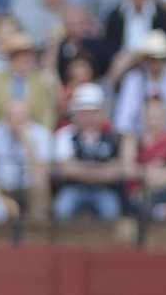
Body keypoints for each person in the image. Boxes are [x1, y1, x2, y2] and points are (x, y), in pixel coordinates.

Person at [51, 82, 130, 220]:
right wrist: (102, 171)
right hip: (73, 189)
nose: (89, 117)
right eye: (84, 112)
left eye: (93, 112)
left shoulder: (112, 137)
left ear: (101, 113)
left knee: (111, 211)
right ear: (75, 113)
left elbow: (117, 171)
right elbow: (67, 170)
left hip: (104, 190)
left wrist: (81, 169)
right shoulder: (65, 135)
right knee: (62, 209)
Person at [0, 98, 52, 216]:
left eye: (21, 114)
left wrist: (27, 140)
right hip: (2, 186)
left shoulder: (41, 134)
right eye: (12, 115)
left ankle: (37, 229)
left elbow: (40, 171)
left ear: (29, 116)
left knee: (41, 183)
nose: (16, 119)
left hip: (29, 186)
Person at [113, 31, 166, 137]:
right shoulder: (133, 79)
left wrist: (163, 138)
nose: (156, 63)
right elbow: (123, 120)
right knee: (127, 141)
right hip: (141, 138)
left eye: (160, 58)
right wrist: (143, 136)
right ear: (144, 60)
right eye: (152, 58)